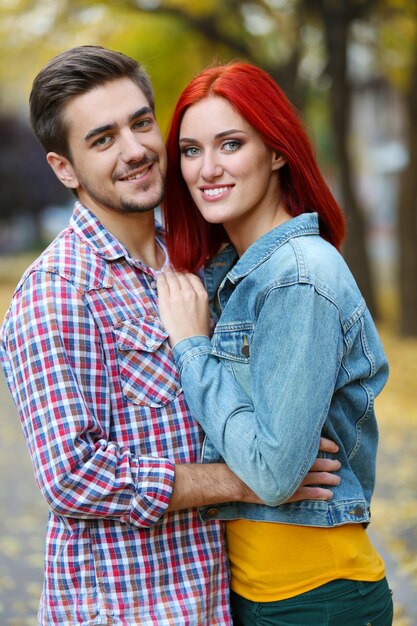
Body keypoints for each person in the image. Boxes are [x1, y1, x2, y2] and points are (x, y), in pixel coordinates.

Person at [0, 47, 340, 625]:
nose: (135, 150)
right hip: (128, 611)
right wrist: (252, 477)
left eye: (140, 123)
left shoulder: (194, 253)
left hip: (218, 600)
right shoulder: (56, 292)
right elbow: (72, 476)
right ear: (64, 168)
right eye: (102, 139)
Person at [157, 61, 394, 625]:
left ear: (278, 151)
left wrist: (193, 347)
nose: (207, 169)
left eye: (230, 144)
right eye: (190, 151)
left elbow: (272, 474)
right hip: (256, 593)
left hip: (315, 596)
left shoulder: (297, 276)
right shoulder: (235, 276)